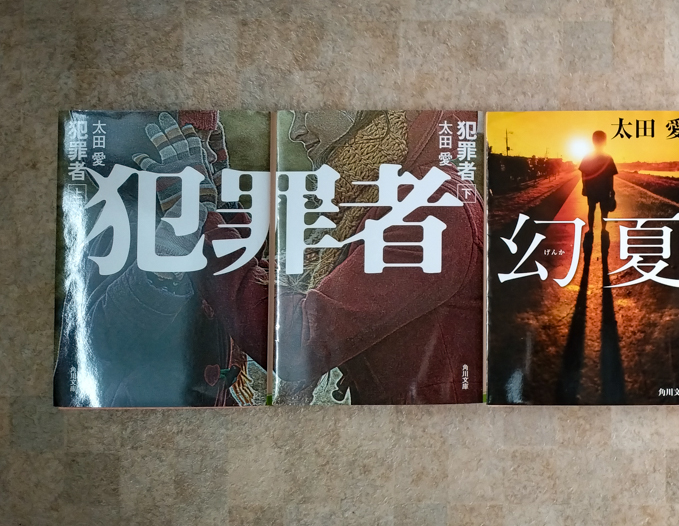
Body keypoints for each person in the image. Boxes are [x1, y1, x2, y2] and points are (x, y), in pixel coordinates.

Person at [200, 109, 484, 405]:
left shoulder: (430, 206)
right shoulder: (399, 193)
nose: (295, 132)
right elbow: (293, 277)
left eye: (304, 110)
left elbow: (302, 342)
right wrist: (225, 212)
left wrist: (207, 235)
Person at [53, 111, 260, 407]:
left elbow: (238, 273)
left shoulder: (195, 213)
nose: (213, 156)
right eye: (195, 143)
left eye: (211, 143)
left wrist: (225, 203)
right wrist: (163, 264)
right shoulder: (124, 227)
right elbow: (102, 340)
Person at [577, 130, 618, 232]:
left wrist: (584, 186)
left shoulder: (588, 157)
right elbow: (610, 176)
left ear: (593, 141)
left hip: (591, 188)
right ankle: (603, 229)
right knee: (604, 210)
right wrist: (611, 189)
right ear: (605, 142)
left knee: (591, 209)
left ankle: (591, 229)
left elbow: (583, 174)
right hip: (604, 189)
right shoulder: (608, 158)